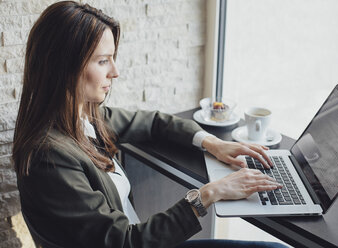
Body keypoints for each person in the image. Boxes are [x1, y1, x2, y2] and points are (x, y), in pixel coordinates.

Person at [12, 1, 286, 248]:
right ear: (64, 67)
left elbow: (153, 122)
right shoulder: (49, 158)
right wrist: (209, 194)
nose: (115, 72)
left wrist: (214, 143)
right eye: (103, 60)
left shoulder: (84, 117)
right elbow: (125, 242)